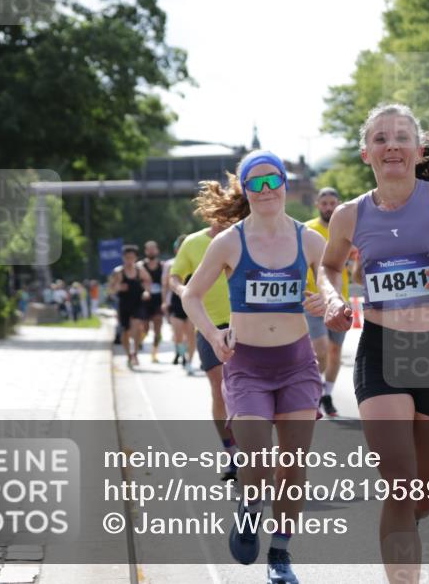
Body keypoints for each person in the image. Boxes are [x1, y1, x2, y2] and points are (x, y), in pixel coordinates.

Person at [320, 104, 429, 583]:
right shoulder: (348, 214)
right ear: (366, 154)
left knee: (423, 495)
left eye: (402, 137)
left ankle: (409, 521)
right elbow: (328, 266)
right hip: (381, 350)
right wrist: (334, 298)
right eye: (381, 138)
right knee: (399, 487)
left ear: (418, 150)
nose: (392, 145)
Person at [182, 150, 327, 584]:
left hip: (297, 362)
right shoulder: (229, 242)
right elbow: (190, 295)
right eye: (255, 184)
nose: (265, 191)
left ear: (284, 183)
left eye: (272, 181)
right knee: (257, 459)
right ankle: (249, 506)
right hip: (247, 366)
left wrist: (330, 303)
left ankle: (280, 554)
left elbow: (335, 284)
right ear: (245, 191)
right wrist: (213, 334)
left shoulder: (310, 240)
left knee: (294, 462)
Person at [171, 220, 240, 480]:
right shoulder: (193, 242)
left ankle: (257, 451)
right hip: (208, 323)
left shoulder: (245, 235)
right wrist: (183, 290)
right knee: (219, 387)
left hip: (244, 322)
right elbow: (175, 275)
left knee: (249, 388)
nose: (225, 218)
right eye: (220, 213)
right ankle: (232, 453)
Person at [302, 187, 353, 417]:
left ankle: (327, 394)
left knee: (335, 351)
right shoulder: (307, 230)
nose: (328, 207)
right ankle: (314, 390)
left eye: (333, 203)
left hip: (341, 300)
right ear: (317, 205)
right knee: (320, 348)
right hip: (314, 300)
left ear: (338, 203)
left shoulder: (346, 227)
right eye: (324, 203)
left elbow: (355, 259)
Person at [108, 245, 152, 367]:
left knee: (137, 327)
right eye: (127, 258)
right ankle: (128, 355)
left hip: (138, 303)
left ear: (136, 258)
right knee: (125, 333)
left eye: (132, 258)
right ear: (123, 258)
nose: (129, 260)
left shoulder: (140, 270)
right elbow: (110, 289)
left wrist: (146, 292)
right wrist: (118, 287)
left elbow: (148, 281)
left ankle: (135, 353)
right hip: (124, 305)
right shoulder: (118, 272)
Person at [163, 235, 195, 366]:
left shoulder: (197, 261)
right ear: (176, 249)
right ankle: (181, 353)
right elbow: (165, 284)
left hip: (194, 302)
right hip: (176, 302)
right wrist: (164, 302)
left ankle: (189, 361)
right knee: (178, 334)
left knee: (191, 334)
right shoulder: (170, 263)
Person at [139, 240, 165, 362]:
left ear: (157, 250)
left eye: (153, 249)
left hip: (158, 301)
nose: (151, 251)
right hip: (145, 301)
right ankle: (139, 340)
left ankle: (154, 353)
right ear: (145, 251)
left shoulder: (163, 266)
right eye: (149, 249)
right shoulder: (140, 266)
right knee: (144, 329)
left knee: (157, 329)